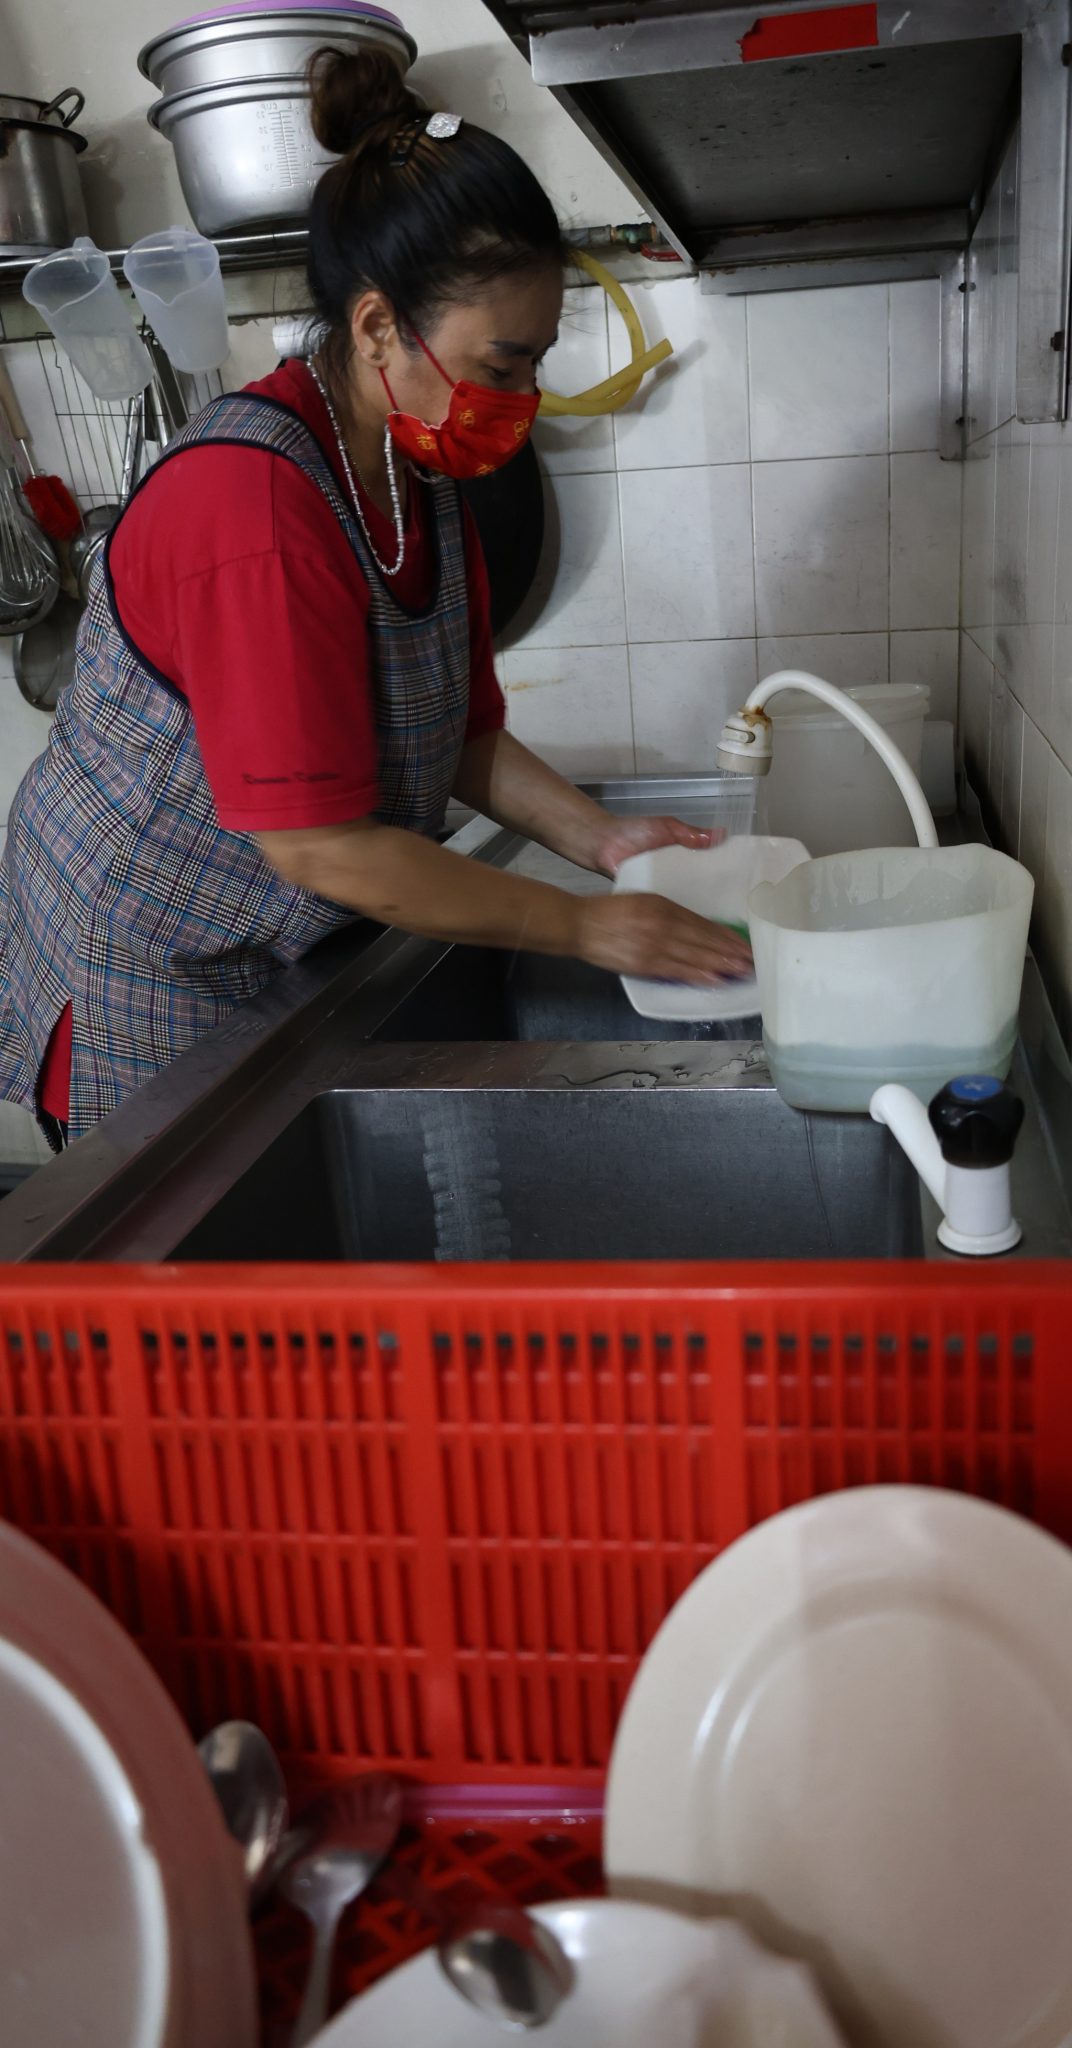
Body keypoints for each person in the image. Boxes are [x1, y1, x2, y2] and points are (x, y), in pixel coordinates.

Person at [0, 47, 750, 1148]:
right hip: (144, 966)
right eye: (501, 364)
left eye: (534, 362)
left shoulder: (416, 470)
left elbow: (458, 733)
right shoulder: (251, 506)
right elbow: (326, 849)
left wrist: (603, 841)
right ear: (377, 328)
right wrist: (590, 928)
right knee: (187, 1296)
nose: (521, 399)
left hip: (273, 951)